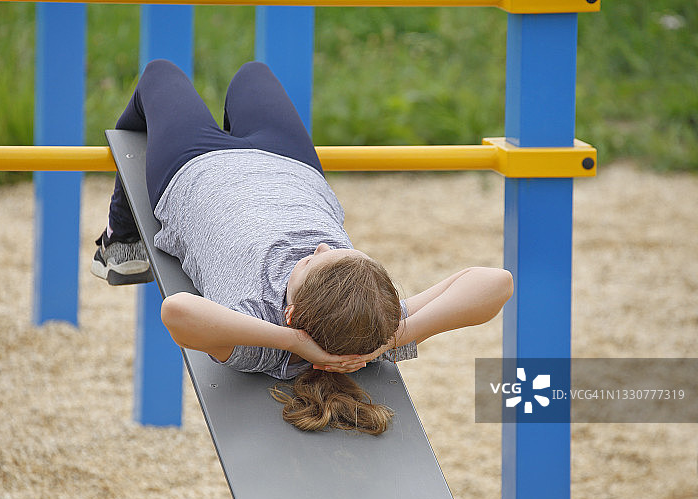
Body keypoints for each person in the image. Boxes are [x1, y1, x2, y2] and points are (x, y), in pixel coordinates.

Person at [92, 59, 513, 435]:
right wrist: (394, 338)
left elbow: (178, 312)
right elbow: (496, 282)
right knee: (251, 74)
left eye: (314, 261)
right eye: (342, 251)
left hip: (196, 168)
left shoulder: (259, 334)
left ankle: (123, 237)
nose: (322, 247)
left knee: (160, 74)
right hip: (288, 165)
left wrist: (292, 342)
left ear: (290, 315)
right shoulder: (369, 323)